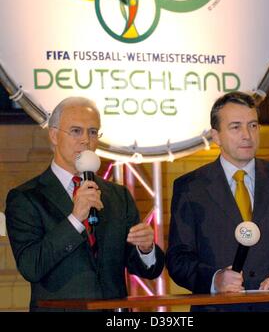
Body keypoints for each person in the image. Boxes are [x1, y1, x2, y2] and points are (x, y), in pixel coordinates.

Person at [5, 96, 164, 311]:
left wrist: (146, 249)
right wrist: (75, 219)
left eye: (92, 132)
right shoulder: (26, 197)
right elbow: (31, 266)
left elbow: (145, 269)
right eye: (76, 131)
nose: (86, 141)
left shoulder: (117, 196)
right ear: (53, 135)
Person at [166, 91, 269, 312]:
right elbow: (178, 259)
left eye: (253, 125)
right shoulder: (190, 187)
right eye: (236, 127)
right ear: (216, 136)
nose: (247, 135)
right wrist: (215, 279)